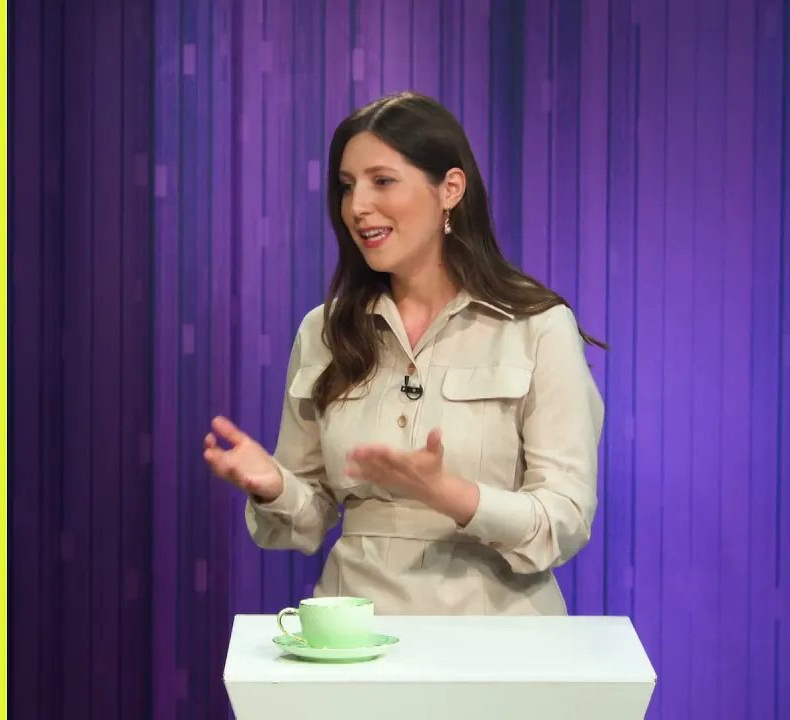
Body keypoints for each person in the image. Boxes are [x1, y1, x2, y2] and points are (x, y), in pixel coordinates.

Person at [203, 91, 606, 616]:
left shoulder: (537, 326)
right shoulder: (323, 330)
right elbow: (308, 518)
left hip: (499, 637)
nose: (357, 207)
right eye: (347, 186)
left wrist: (450, 494)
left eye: (382, 181)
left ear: (450, 189)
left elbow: (565, 519)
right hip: (355, 636)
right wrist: (276, 486)